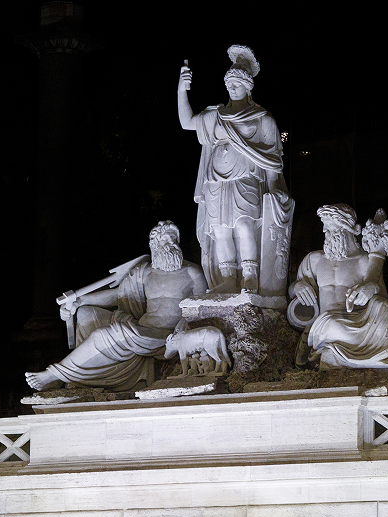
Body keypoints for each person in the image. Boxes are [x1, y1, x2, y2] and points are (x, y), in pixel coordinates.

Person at [25, 222, 208, 392]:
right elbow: (119, 296)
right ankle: (79, 378)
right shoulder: (144, 272)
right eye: (165, 239)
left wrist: (185, 330)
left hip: (165, 336)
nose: (171, 243)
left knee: (103, 335)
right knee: (86, 314)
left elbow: (200, 307)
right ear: (154, 244)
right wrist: (81, 301)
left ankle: (54, 374)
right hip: (142, 329)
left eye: (174, 239)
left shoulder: (192, 272)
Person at [178, 46, 293, 298]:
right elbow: (187, 122)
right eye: (229, 83)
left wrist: (274, 191)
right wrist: (181, 89)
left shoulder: (263, 119)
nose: (231, 87)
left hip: (246, 179)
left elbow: (273, 161)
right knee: (220, 229)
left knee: (243, 226)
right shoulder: (215, 116)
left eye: (237, 83)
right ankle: (228, 279)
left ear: (248, 87)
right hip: (216, 180)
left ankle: (250, 276)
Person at [289, 204, 388, 371]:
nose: (325, 232)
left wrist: (370, 289)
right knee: (333, 325)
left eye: (331, 228)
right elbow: (293, 293)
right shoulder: (314, 260)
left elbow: (381, 298)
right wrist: (297, 286)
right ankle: (381, 357)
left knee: (387, 307)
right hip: (328, 321)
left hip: (359, 320)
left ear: (348, 229)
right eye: (324, 227)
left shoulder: (364, 262)